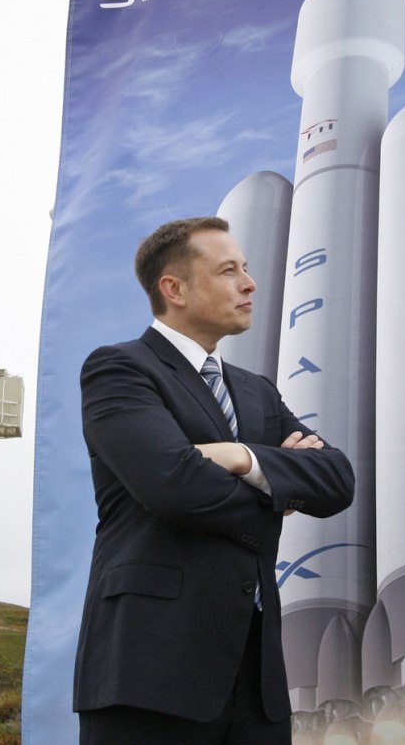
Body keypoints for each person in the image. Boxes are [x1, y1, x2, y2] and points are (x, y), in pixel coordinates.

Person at [73, 216, 355, 744]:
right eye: (229, 271)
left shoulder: (256, 392)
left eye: (246, 269)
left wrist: (241, 458)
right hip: (151, 674)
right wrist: (279, 489)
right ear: (173, 288)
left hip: (256, 680)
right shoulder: (121, 370)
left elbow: (337, 480)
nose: (249, 283)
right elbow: (172, 485)